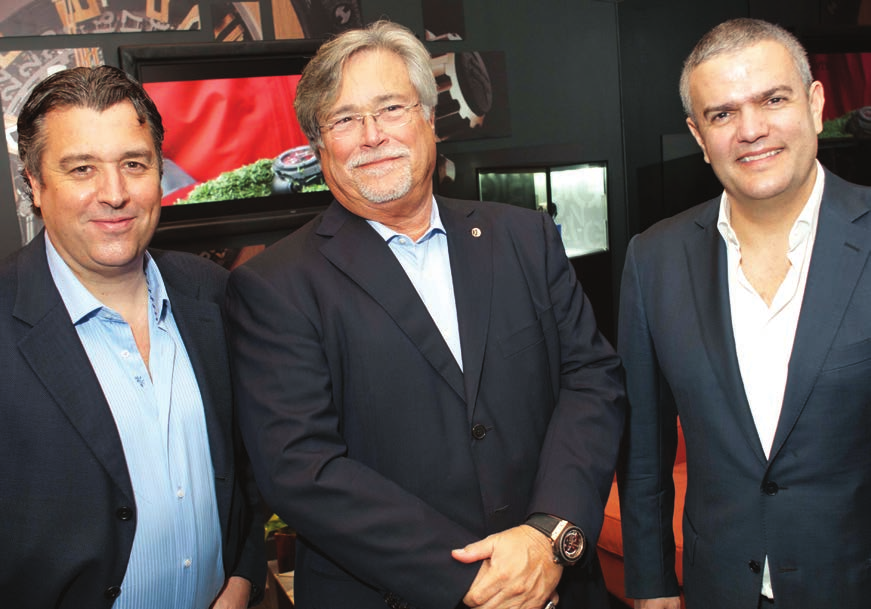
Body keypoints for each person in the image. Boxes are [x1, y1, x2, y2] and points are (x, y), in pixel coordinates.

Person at [226, 20, 625, 609]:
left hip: (556, 584)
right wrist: (475, 579)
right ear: (317, 146)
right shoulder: (273, 287)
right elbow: (302, 469)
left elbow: (591, 380)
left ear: (429, 119)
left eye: (391, 108)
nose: (372, 135)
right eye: (344, 119)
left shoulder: (526, 238)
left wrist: (549, 534)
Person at [617, 17, 871, 609]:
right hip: (719, 589)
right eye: (723, 114)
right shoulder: (654, 258)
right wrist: (651, 585)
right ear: (698, 135)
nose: (751, 130)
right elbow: (645, 450)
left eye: (773, 99)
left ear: (815, 104)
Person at [0, 66, 265, 608]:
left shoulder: (213, 293)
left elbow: (249, 466)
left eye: (134, 164)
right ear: (34, 183)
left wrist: (241, 578)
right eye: (82, 168)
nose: (115, 194)